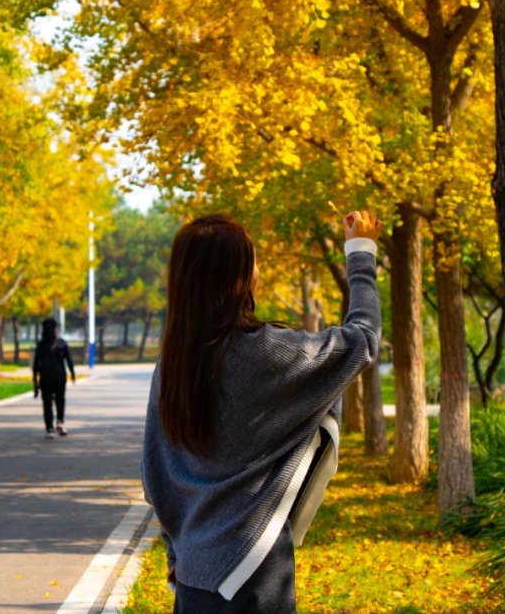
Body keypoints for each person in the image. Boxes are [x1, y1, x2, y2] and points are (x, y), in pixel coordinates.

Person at [141, 211, 382, 612]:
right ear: (234, 276)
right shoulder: (265, 353)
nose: (258, 269)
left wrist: (178, 555)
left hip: (191, 575)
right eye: (252, 260)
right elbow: (363, 340)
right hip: (251, 573)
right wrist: (361, 251)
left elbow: (157, 472)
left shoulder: (173, 362)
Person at [32, 318, 75, 439]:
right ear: (55, 328)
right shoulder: (62, 343)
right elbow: (69, 360)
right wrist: (72, 373)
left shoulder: (41, 345)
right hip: (60, 376)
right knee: (60, 400)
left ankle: (50, 429)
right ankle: (60, 421)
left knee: (47, 402)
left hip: (45, 377)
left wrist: (35, 378)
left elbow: (36, 363)